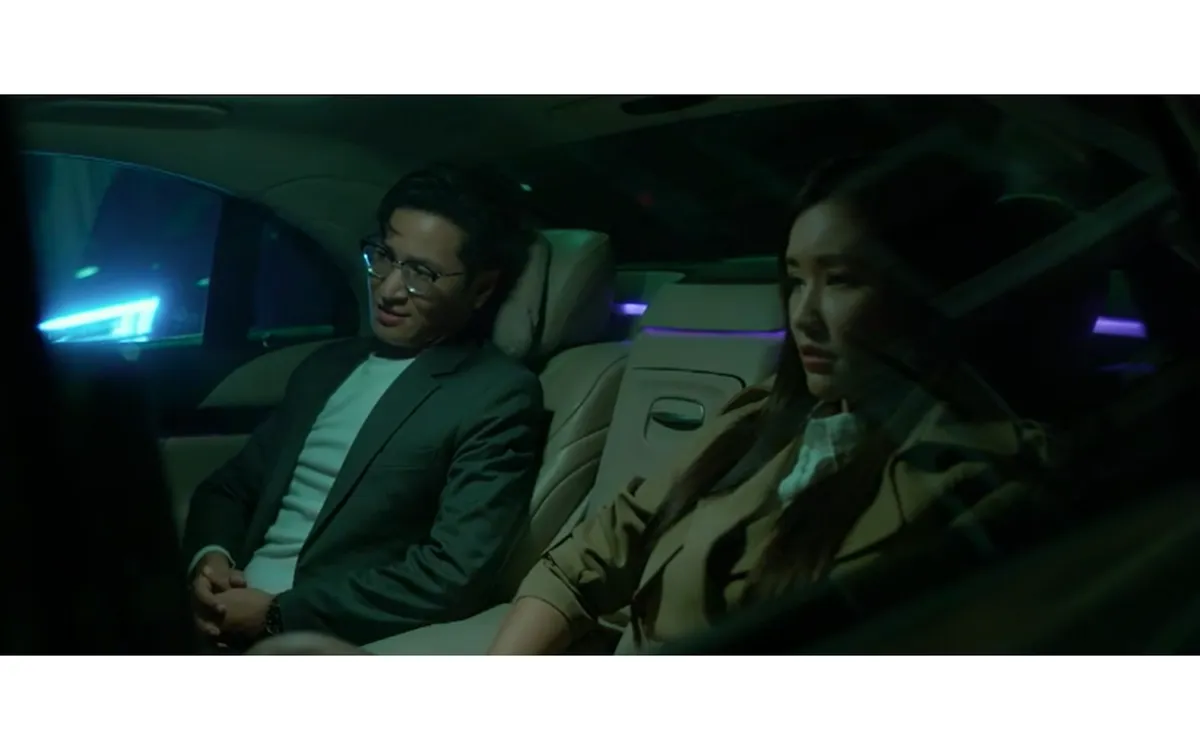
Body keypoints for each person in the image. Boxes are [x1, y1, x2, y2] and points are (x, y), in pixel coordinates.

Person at [488, 152, 1078, 655]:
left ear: (925, 290)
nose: (803, 315)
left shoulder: (977, 477)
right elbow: (594, 552)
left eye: (841, 279)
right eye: (795, 281)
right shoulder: (761, 415)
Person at [182, 163, 545, 650]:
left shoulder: (495, 394)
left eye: (422, 274)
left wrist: (276, 616)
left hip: (313, 640)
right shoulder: (328, 366)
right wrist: (210, 560)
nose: (389, 289)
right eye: (385, 258)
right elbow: (230, 487)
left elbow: (452, 573)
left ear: (480, 289)